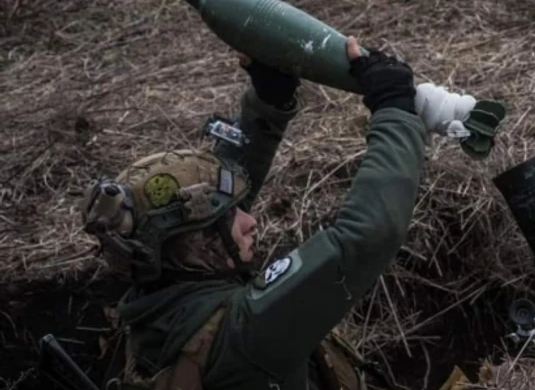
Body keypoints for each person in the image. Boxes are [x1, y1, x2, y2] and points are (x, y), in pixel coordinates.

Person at [79, 37, 426, 390]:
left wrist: (268, 101)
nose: (251, 221)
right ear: (188, 246)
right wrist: (393, 108)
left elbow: (211, 203)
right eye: (227, 221)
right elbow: (367, 235)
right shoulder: (246, 331)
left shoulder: (155, 309)